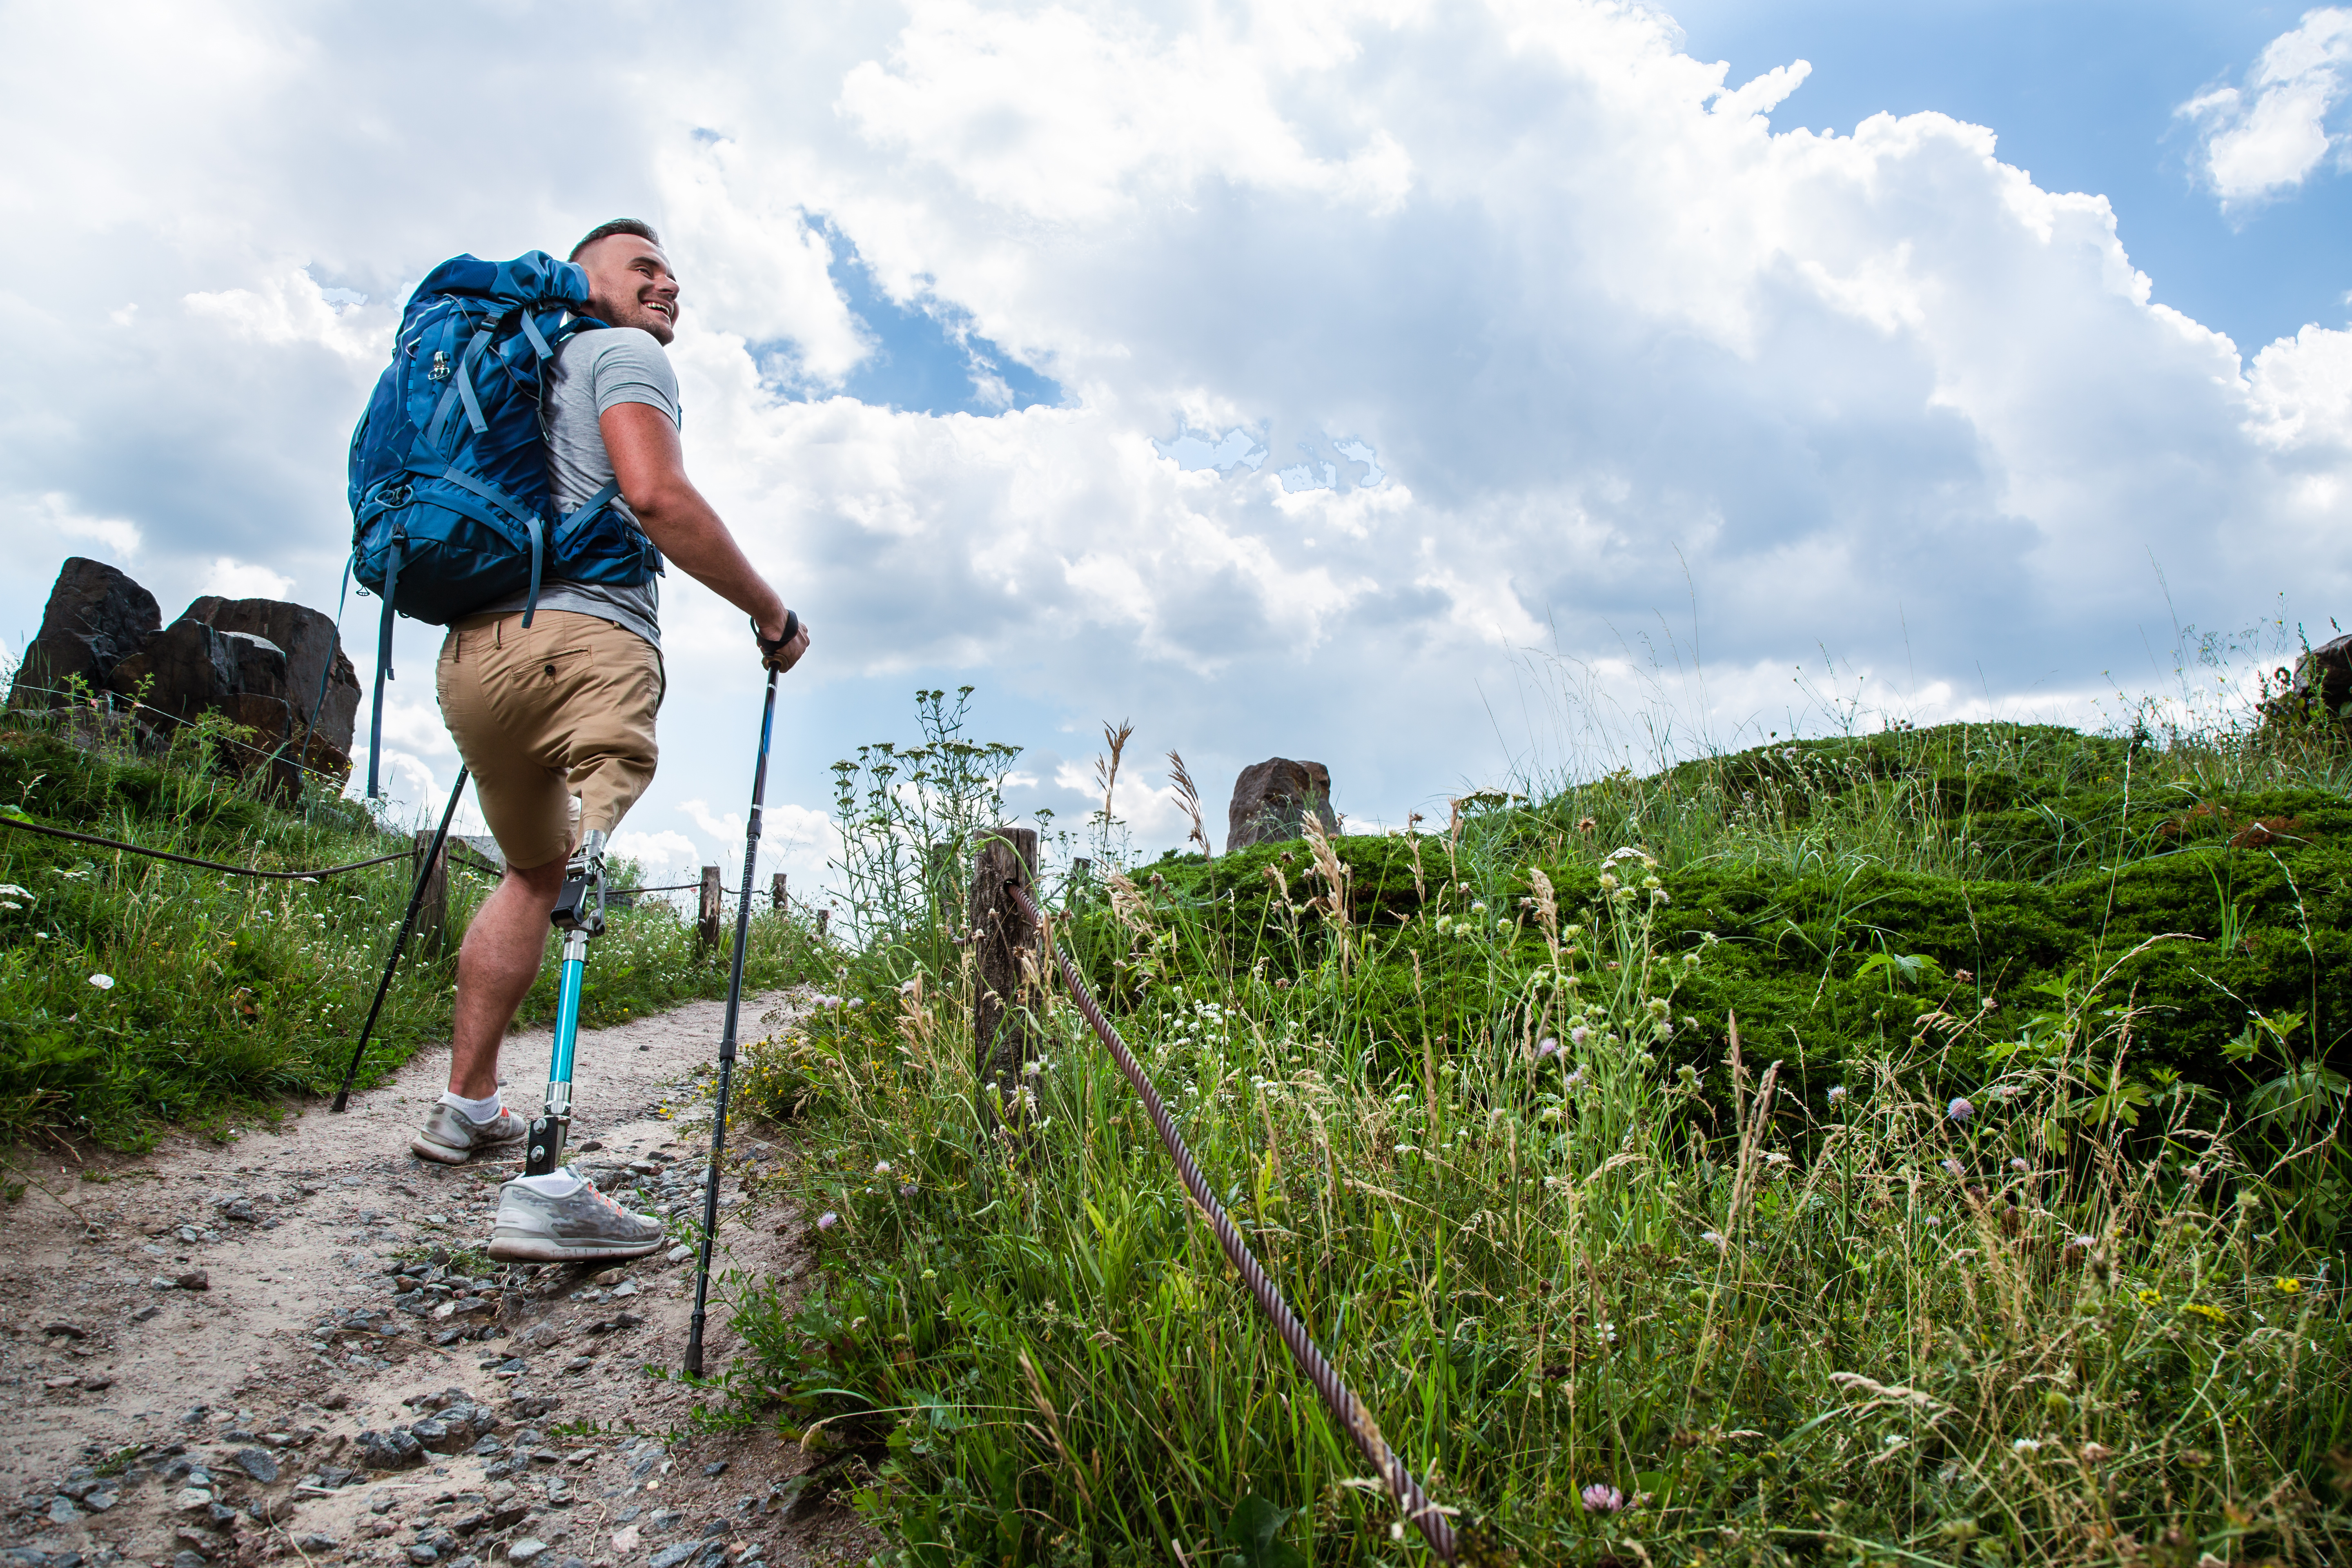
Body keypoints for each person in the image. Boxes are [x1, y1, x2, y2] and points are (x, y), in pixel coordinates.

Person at [406, 218, 809, 1264]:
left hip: (475, 656)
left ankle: (466, 1103)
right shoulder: (617, 352)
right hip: (589, 637)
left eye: (673, 273)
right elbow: (655, 494)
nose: (668, 284)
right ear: (587, 281)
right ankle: (547, 1174)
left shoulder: (512, 372)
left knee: (531, 872)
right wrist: (770, 613)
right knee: (583, 873)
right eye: (645, 268)